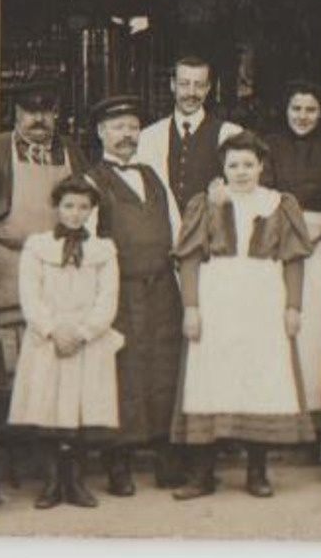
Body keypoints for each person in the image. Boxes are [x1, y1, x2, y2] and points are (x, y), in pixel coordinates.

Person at [170, 131, 314, 499]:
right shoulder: (206, 202)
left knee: (260, 379)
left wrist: (293, 307)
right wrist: (191, 308)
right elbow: (188, 260)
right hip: (217, 296)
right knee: (209, 380)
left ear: (262, 166)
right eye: (233, 165)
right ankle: (202, 475)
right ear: (223, 167)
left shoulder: (279, 204)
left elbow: (294, 261)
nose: (242, 172)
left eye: (249, 164)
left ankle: (257, 472)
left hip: (264, 299)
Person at [82, 95, 186, 496]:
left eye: (131, 126)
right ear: (101, 133)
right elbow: (87, 243)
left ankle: (166, 458)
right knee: (120, 373)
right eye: (117, 127)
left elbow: (176, 230)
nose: (126, 135)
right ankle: (118, 465)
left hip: (161, 289)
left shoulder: (154, 175)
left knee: (164, 369)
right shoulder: (93, 180)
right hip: (119, 291)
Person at [8, 176, 123, 509]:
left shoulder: (103, 250)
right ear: (57, 207)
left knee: (80, 410)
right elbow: (30, 296)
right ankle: (51, 482)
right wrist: (52, 330)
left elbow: (108, 299)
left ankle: (75, 482)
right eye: (69, 205)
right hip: (47, 339)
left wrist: (84, 332)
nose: (75, 213)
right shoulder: (38, 246)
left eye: (83, 207)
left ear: (92, 210)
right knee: (48, 407)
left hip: (87, 340)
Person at [0, 84, 89, 378]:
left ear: (56, 114)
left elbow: (87, 207)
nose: (38, 119)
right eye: (30, 112)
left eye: (46, 111)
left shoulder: (70, 151)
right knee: (2, 358)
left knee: (53, 355)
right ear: (17, 114)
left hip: (56, 268)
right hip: (6, 266)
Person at [264, 82, 321, 418]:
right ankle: (287, 408)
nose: (302, 116)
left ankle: (320, 409)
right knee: (287, 319)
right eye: (296, 109)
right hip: (283, 241)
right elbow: (264, 195)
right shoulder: (270, 147)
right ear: (285, 110)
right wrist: (296, 226)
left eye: (310, 110)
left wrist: (319, 226)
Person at [136, 56, 241, 242]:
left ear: (208, 88)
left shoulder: (229, 134)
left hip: (210, 244)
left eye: (199, 85)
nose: (191, 93)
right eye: (184, 84)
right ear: (172, 85)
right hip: (163, 242)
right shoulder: (150, 136)